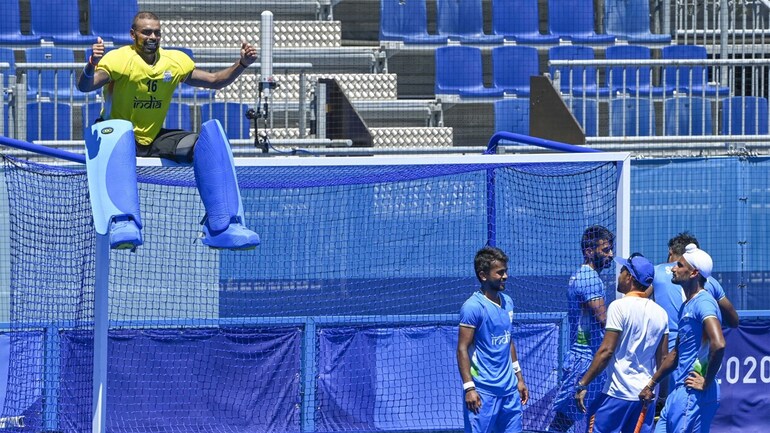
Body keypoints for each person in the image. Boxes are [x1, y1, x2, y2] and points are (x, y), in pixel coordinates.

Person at [76, 11, 260, 250]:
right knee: (121, 129)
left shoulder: (174, 61)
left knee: (209, 141)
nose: (152, 36)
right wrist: (91, 65)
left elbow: (215, 80)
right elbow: (85, 86)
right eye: (146, 32)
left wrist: (242, 64)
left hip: (152, 138)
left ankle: (223, 227)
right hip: (115, 139)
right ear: (133, 35)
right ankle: (122, 222)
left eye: (157, 32)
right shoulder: (119, 59)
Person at [574, 253, 668, 433]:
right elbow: (663, 359)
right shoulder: (661, 313)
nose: (619, 274)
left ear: (629, 277)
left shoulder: (618, 306)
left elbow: (606, 351)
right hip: (644, 398)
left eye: (622, 270)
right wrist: (657, 393)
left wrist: (583, 383)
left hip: (617, 395)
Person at [639, 243, 726, 433]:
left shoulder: (704, 303)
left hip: (694, 393)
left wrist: (706, 380)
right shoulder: (686, 306)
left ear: (694, 273)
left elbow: (718, 344)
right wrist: (651, 384)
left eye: (679, 265)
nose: (673, 268)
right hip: (678, 393)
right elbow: (675, 354)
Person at [651, 232, 739, 410]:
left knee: (678, 408)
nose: (674, 268)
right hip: (680, 354)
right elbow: (733, 320)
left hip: (670, 354)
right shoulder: (710, 282)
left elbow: (638, 300)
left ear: (671, 252)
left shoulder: (656, 272)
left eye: (679, 265)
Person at [548, 225, 614, 432]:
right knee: (564, 420)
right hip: (585, 361)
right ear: (588, 252)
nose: (610, 255)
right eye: (605, 250)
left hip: (589, 358)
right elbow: (604, 319)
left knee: (585, 418)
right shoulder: (589, 279)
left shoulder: (585, 276)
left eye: (611, 249)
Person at [457, 246, 529, 433]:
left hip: (510, 392)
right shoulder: (472, 307)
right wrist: (469, 388)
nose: (505, 276)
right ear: (483, 275)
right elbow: (462, 348)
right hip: (483, 393)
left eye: (505, 271)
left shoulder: (508, 302)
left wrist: (519, 378)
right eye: (500, 272)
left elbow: (508, 341)